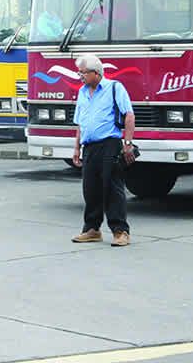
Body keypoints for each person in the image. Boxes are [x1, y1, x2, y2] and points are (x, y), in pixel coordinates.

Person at [70, 53, 137, 247]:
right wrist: (76, 147)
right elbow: (80, 123)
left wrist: (128, 143)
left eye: (82, 72)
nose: (80, 76)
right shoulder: (82, 92)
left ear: (95, 73)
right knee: (90, 188)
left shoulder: (114, 88)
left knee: (112, 188)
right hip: (89, 146)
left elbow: (129, 115)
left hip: (110, 143)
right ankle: (92, 229)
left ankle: (120, 231)